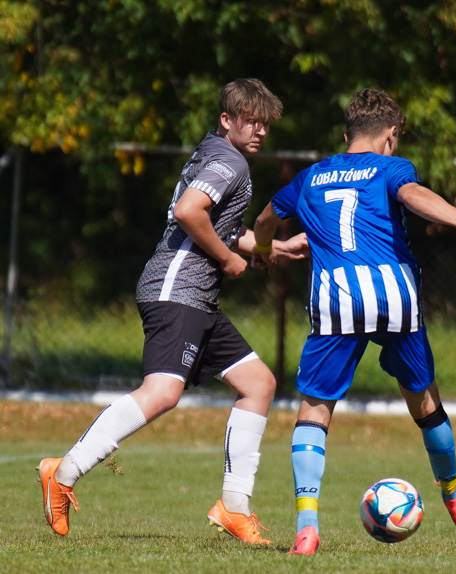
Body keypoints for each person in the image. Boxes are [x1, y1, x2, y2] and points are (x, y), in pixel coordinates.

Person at [38, 78, 309, 545]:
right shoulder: (230, 161)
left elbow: (217, 223)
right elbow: (188, 212)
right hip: (176, 290)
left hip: (195, 297)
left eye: (266, 122)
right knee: (163, 392)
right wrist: (227, 259)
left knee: (258, 384)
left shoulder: (216, 154)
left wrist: (271, 246)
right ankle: (63, 472)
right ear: (227, 120)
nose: (261, 130)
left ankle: (233, 507)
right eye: (251, 120)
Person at [253, 88, 456, 555]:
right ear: (391, 136)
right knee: (424, 401)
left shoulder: (310, 176)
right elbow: (414, 196)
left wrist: (265, 252)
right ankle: (454, 493)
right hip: (394, 295)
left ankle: (306, 526)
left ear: (346, 136)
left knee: (315, 412)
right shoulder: (392, 168)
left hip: (336, 298)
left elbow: (264, 220)